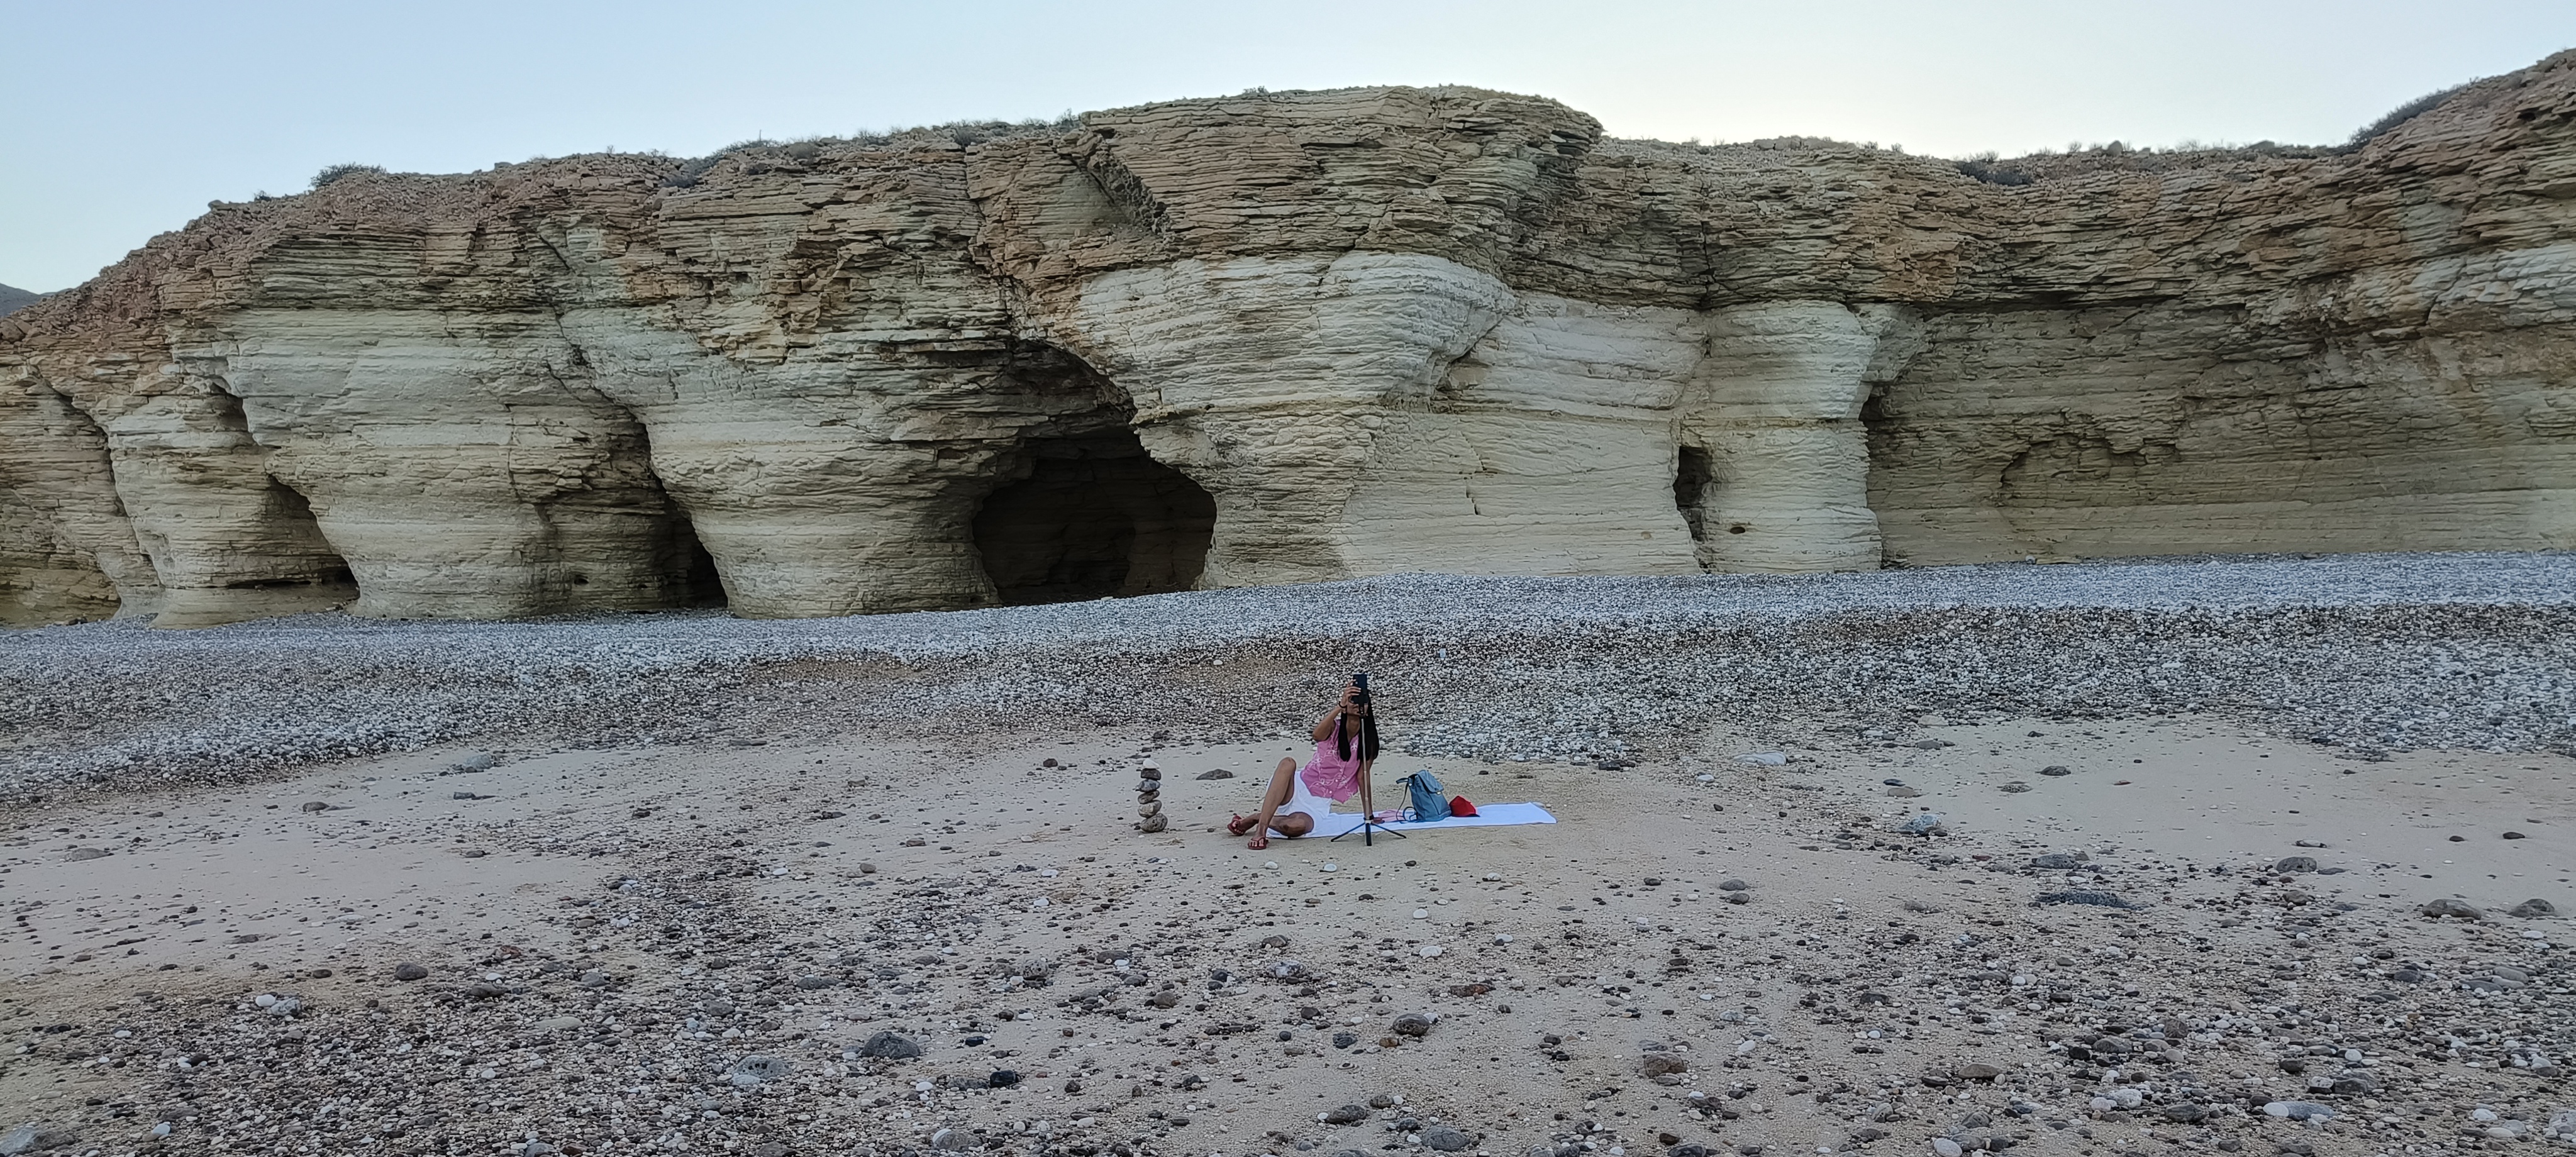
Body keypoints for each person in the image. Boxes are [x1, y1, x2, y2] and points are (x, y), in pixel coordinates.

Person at [1227, 680, 1375, 849]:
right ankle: (1261, 830)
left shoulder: (1366, 742)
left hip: (1317, 803)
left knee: (1294, 828)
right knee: (1288, 763)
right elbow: (1317, 735)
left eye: (1362, 702)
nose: (1357, 705)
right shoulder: (1334, 728)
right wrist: (1339, 706)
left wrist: (1369, 814)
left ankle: (1256, 818)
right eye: (1353, 701)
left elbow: (1363, 777)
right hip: (1296, 786)